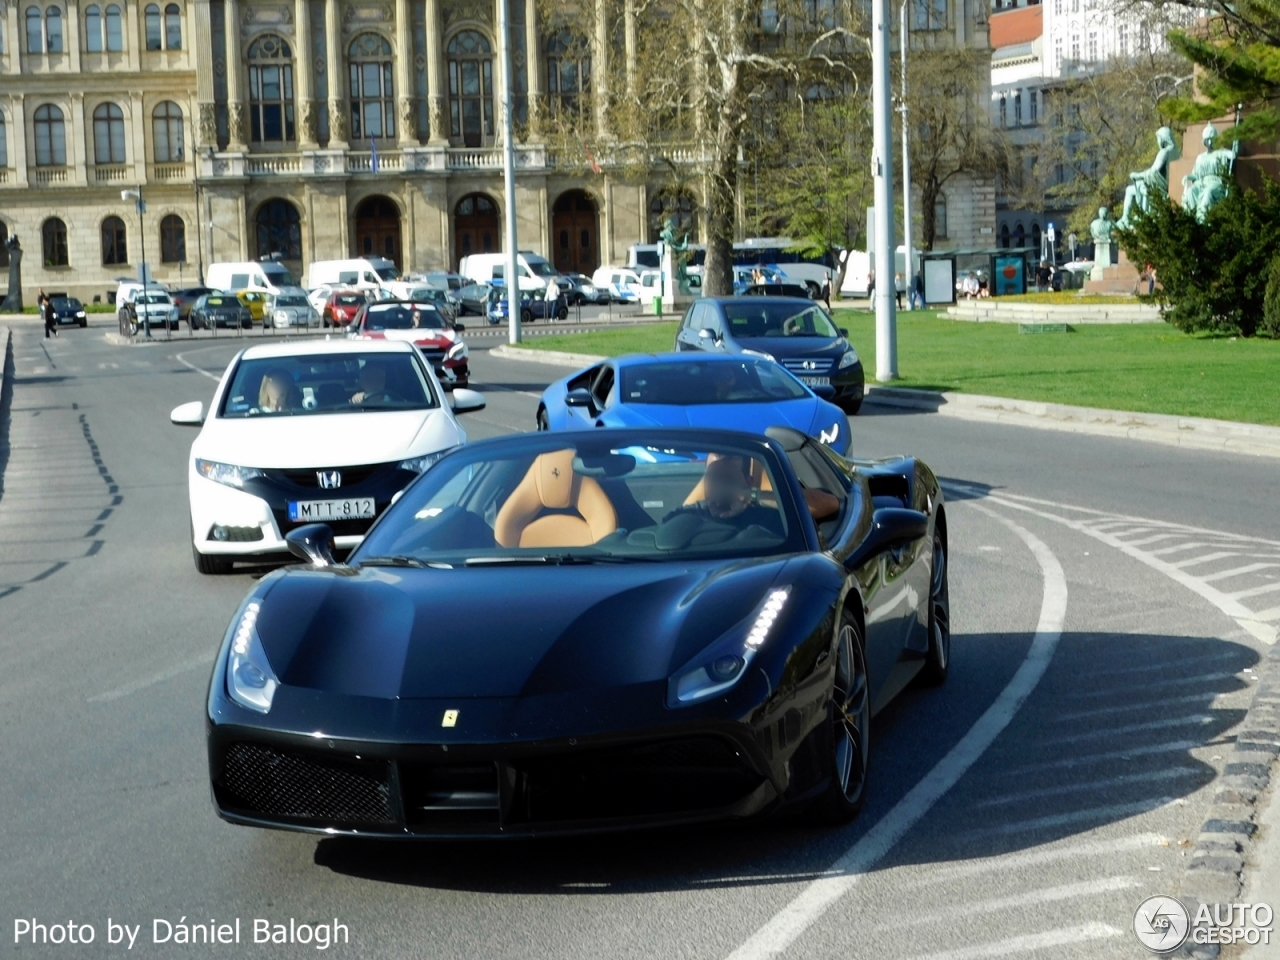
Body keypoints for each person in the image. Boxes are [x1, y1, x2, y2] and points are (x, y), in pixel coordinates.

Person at [662, 456, 784, 537]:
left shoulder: (770, 517)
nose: (720, 486)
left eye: (728, 479)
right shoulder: (682, 516)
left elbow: (795, 508)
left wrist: (751, 495)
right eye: (713, 477)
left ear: (748, 481)